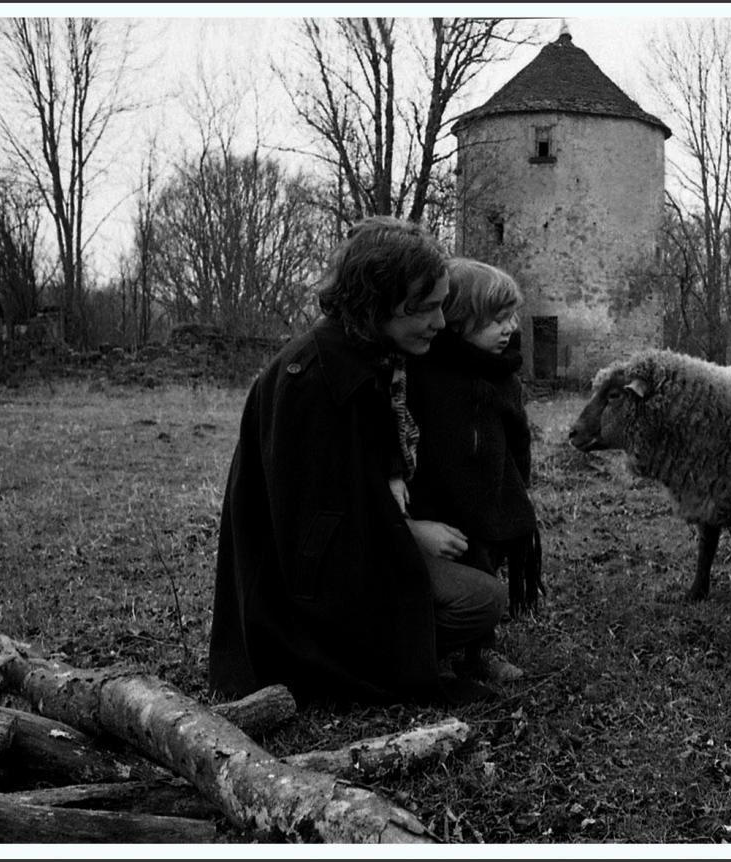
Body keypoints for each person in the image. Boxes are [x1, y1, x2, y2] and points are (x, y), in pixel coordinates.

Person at [208, 216, 510, 706]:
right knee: (481, 601)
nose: (439, 322)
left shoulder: (376, 361)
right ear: (377, 304)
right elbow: (312, 538)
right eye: (426, 309)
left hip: (365, 550)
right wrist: (407, 534)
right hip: (308, 602)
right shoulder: (311, 381)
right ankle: (380, 657)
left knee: (476, 577)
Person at [404, 257, 543, 683]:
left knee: (489, 564)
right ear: (460, 322)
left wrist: (518, 488)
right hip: (440, 500)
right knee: (461, 569)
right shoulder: (426, 371)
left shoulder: (505, 377)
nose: (510, 328)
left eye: (512, 317)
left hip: (494, 493)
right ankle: (440, 638)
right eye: (497, 320)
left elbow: (518, 436)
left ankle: (480, 651)